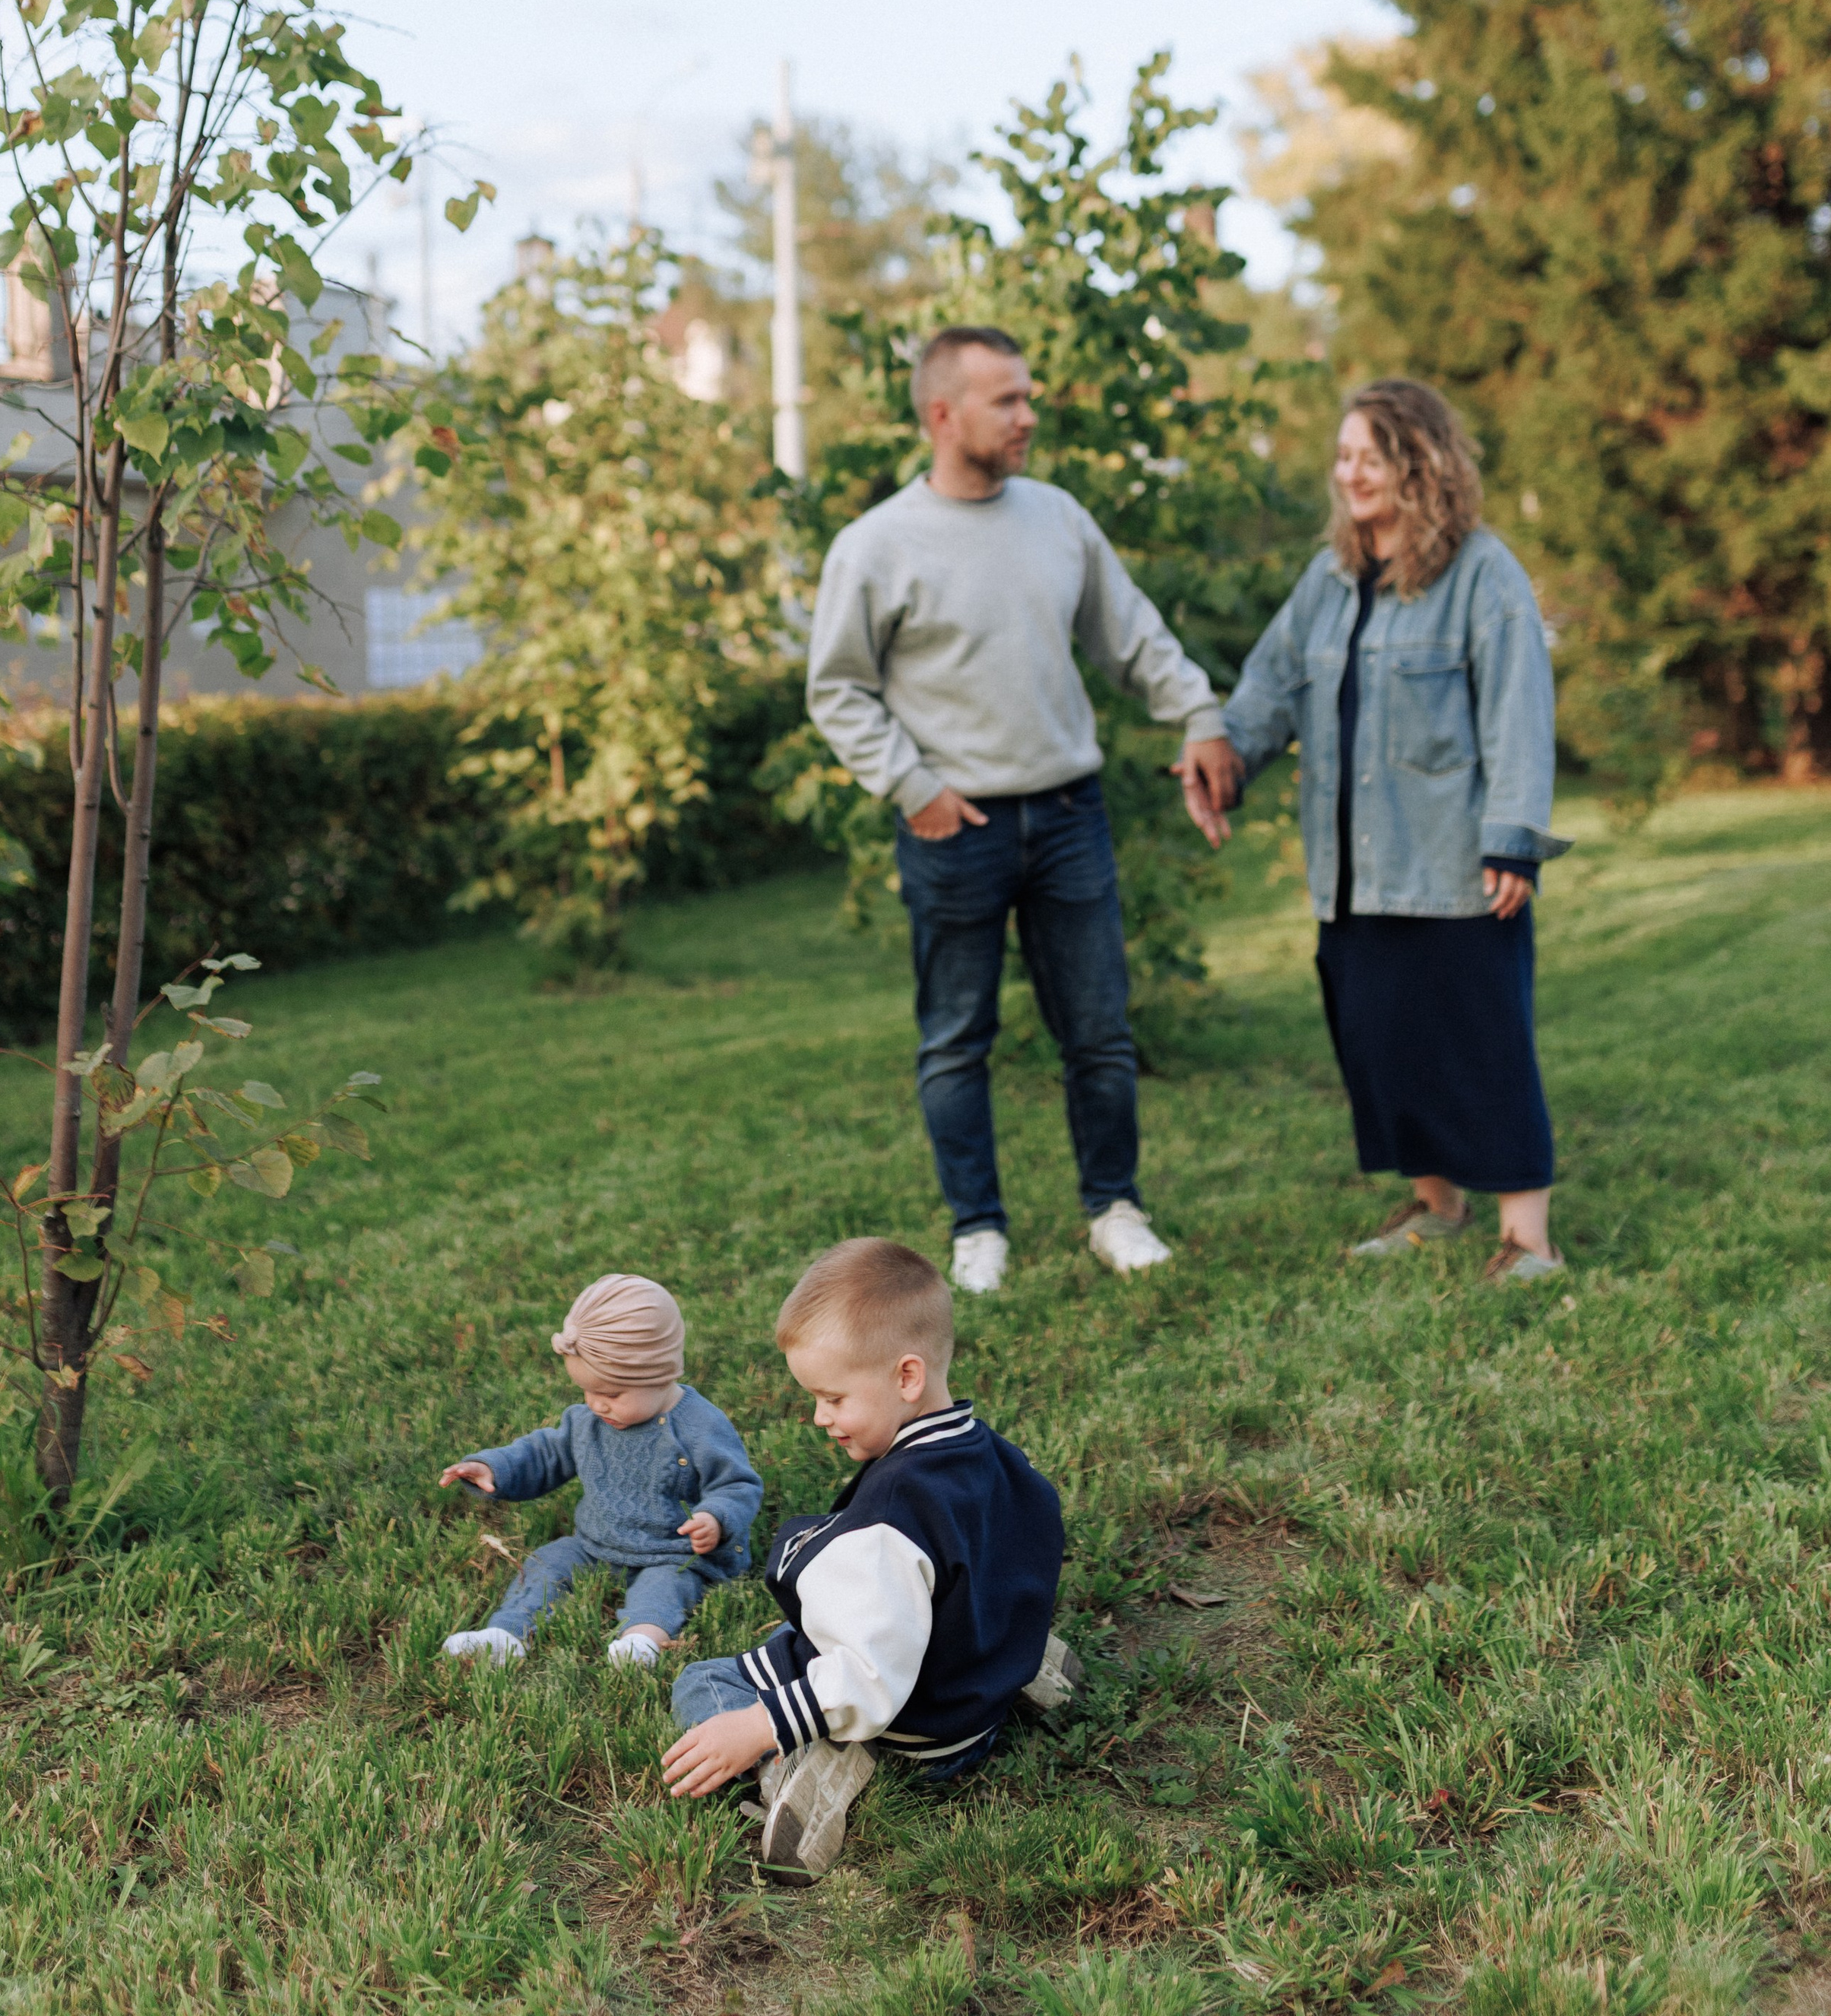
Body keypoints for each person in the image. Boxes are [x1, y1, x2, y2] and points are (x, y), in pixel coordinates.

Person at [805, 325, 1244, 1292]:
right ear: (941, 414)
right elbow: (837, 688)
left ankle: (1114, 1210)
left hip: (1068, 814)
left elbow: (1132, 637)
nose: (1027, 415)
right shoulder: (876, 545)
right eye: (1006, 400)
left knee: (1098, 1031)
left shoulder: (1057, 519)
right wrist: (912, 789)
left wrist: (1200, 713)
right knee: (955, 1040)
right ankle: (978, 1228)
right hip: (953, 828)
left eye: (1027, 396)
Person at [1207, 379, 1570, 1283]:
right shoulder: (1328, 580)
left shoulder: (1483, 574)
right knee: (1383, 1041)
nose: (1350, 473)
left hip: (1453, 863)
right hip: (1350, 869)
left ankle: (1529, 1240)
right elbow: (1269, 684)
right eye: (1342, 457)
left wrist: (1512, 838)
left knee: (1482, 1045)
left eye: (1370, 455)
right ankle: (1438, 1207)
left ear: (1420, 463)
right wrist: (1221, 758)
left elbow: (1519, 711)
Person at [658, 1237, 1080, 1881]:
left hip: (916, 1730)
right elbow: (1032, 1534)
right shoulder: (990, 1455)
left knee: (707, 1683)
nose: (820, 1417)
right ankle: (1018, 1658)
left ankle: (799, 1764)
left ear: (906, 1376)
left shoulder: (889, 1521)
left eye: (833, 1397)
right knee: (960, 1569)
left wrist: (763, 1724)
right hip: (977, 1701)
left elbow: (871, 1672)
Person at [437, 1271, 762, 1667]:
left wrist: (715, 1517)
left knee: (665, 1588)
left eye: (610, 1394)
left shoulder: (699, 1426)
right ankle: (506, 1634)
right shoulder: (588, 1422)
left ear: (659, 1374)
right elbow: (545, 1454)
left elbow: (737, 1484)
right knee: (547, 1563)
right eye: (586, 1392)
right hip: (595, 1546)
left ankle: (641, 1642)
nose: (596, 1405)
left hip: (672, 1551)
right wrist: (496, 1468)